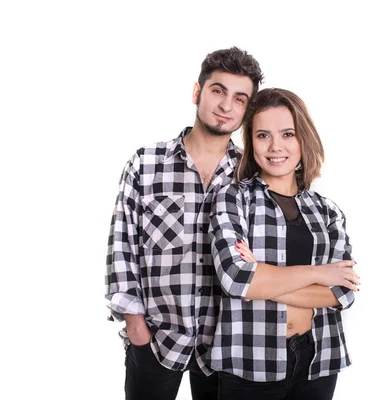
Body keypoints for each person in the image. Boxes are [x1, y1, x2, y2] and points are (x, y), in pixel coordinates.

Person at [105, 47, 263, 400]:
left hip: (228, 345)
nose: (226, 106)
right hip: (157, 338)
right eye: (218, 91)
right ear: (197, 92)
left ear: (247, 110)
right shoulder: (146, 164)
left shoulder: (251, 176)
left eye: (239, 99)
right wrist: (136, 328)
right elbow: (122, 246)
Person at [208, 88, 359, 400]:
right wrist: (319, 273)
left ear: (303, 139)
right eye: (263, 135)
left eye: (287, 134)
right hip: (250, 359)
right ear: (251, 143)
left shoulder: (328, 211)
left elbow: (342, 292)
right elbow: (236, 280)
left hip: (319, 358)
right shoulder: (233, 198)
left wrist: (262, 276)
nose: (276, 146)